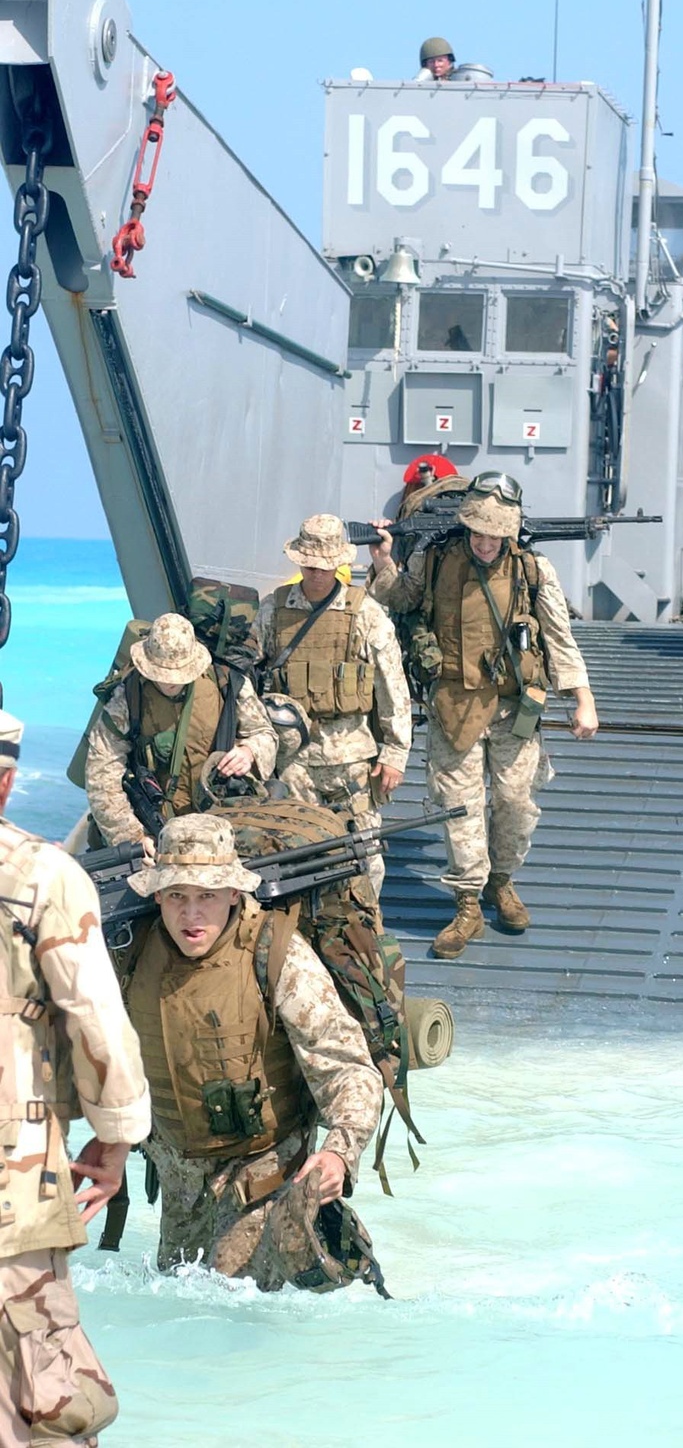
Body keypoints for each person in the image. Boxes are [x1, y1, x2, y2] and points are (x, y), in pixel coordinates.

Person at [119, 814, 383, 1289]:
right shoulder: (132, 955)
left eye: (207, 897)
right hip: (180, 1183)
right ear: (157, 895)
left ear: (234, 894)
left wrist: (339, 1152)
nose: (191, 914)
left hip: (263, 1177)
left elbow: (347, 1066)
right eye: (177, 896)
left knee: (236, 1313)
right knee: (179, 1316)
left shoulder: (276, 954)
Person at [369, 472, 599, 958]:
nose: (485, 542)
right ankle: (468, 904)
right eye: (477, 531)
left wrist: (583, 699)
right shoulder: (433, 559)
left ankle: (502, 880)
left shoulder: (533, 570)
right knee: (461, 810)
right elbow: (402, 599)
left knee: (516, 804)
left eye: (495, 534)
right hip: (454, 704)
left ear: (510, 531)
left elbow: (558, 637)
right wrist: (384, 562)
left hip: (515, 706)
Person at [0, 708, 150, 1446]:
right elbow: (94, 1014)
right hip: (15, 1173)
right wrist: (118, 1139)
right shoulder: (40, 876)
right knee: (46, 1393)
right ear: (6, 781)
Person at [256, 514, 412, 900]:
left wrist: (395, 752)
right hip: (293, 759)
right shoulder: (273, 610)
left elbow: (392, 685)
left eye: (325, 566)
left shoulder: (365, 613)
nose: (318, 574)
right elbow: (248, 676)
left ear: (340, 562)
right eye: (310, 565)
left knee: (365, 855)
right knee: (295, 855)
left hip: (351, 759)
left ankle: (365, 928)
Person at [85, 612, 277, 855]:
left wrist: (250, 751)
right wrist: (133, 838)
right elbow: (102, 773)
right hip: (159, 831)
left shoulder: (228, 683)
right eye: (160, 674)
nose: (170, 682)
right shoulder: (127, 696)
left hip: (221, 822)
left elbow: (264, 734)